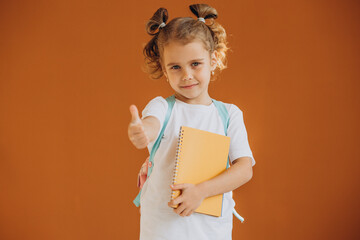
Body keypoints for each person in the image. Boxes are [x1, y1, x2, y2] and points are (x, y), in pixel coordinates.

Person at [128, 3, 255, 240]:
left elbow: (244, 169)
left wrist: (201, 192)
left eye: (195, 64)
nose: (186, 75)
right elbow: (151, 124)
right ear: (165, 71)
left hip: (211, 231)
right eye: (175, 67)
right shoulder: (162, 107)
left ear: (213, 59)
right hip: (162, 229)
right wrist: (141, 131)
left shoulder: (229, 114)